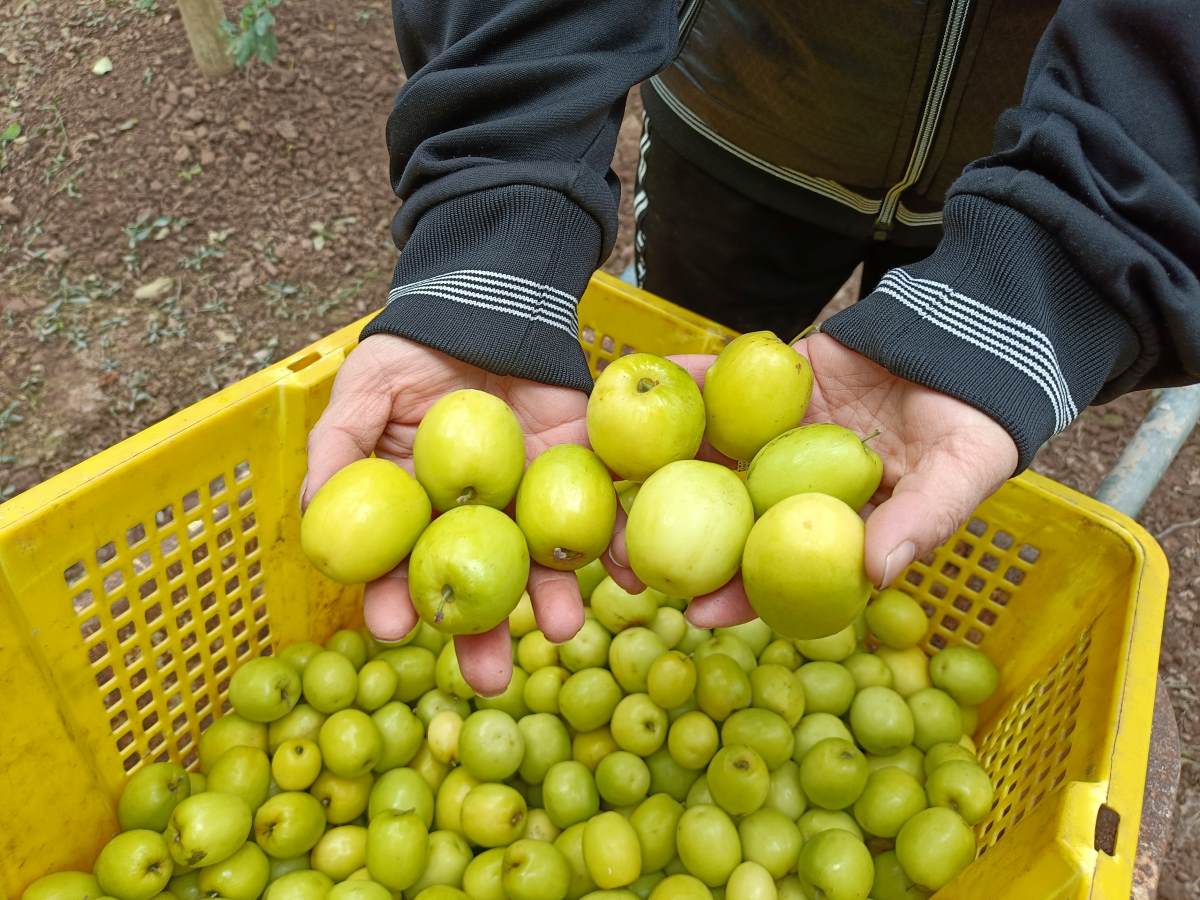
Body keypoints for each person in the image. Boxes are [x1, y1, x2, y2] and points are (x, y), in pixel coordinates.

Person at [305, 0, 1200, 694]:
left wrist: (1061, 258)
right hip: (744, 126)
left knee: (852, 405)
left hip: (1009, 160)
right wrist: (496, 213)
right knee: (695, 331)